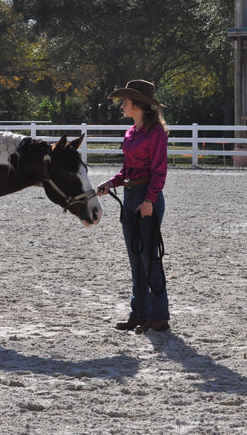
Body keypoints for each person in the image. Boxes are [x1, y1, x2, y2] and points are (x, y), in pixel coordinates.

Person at [97, 79, 170, 334]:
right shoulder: (131, 132)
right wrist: (112, 182)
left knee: (150, 258)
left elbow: (159, 170)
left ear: (137, 104)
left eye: (126, 100)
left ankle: (159, 317)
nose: (122, 104)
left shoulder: (156, 133)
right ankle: (139, 314)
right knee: (135, 259)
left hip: (146, 197)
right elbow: (127, 169)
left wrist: (149, 200)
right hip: (130, 196)